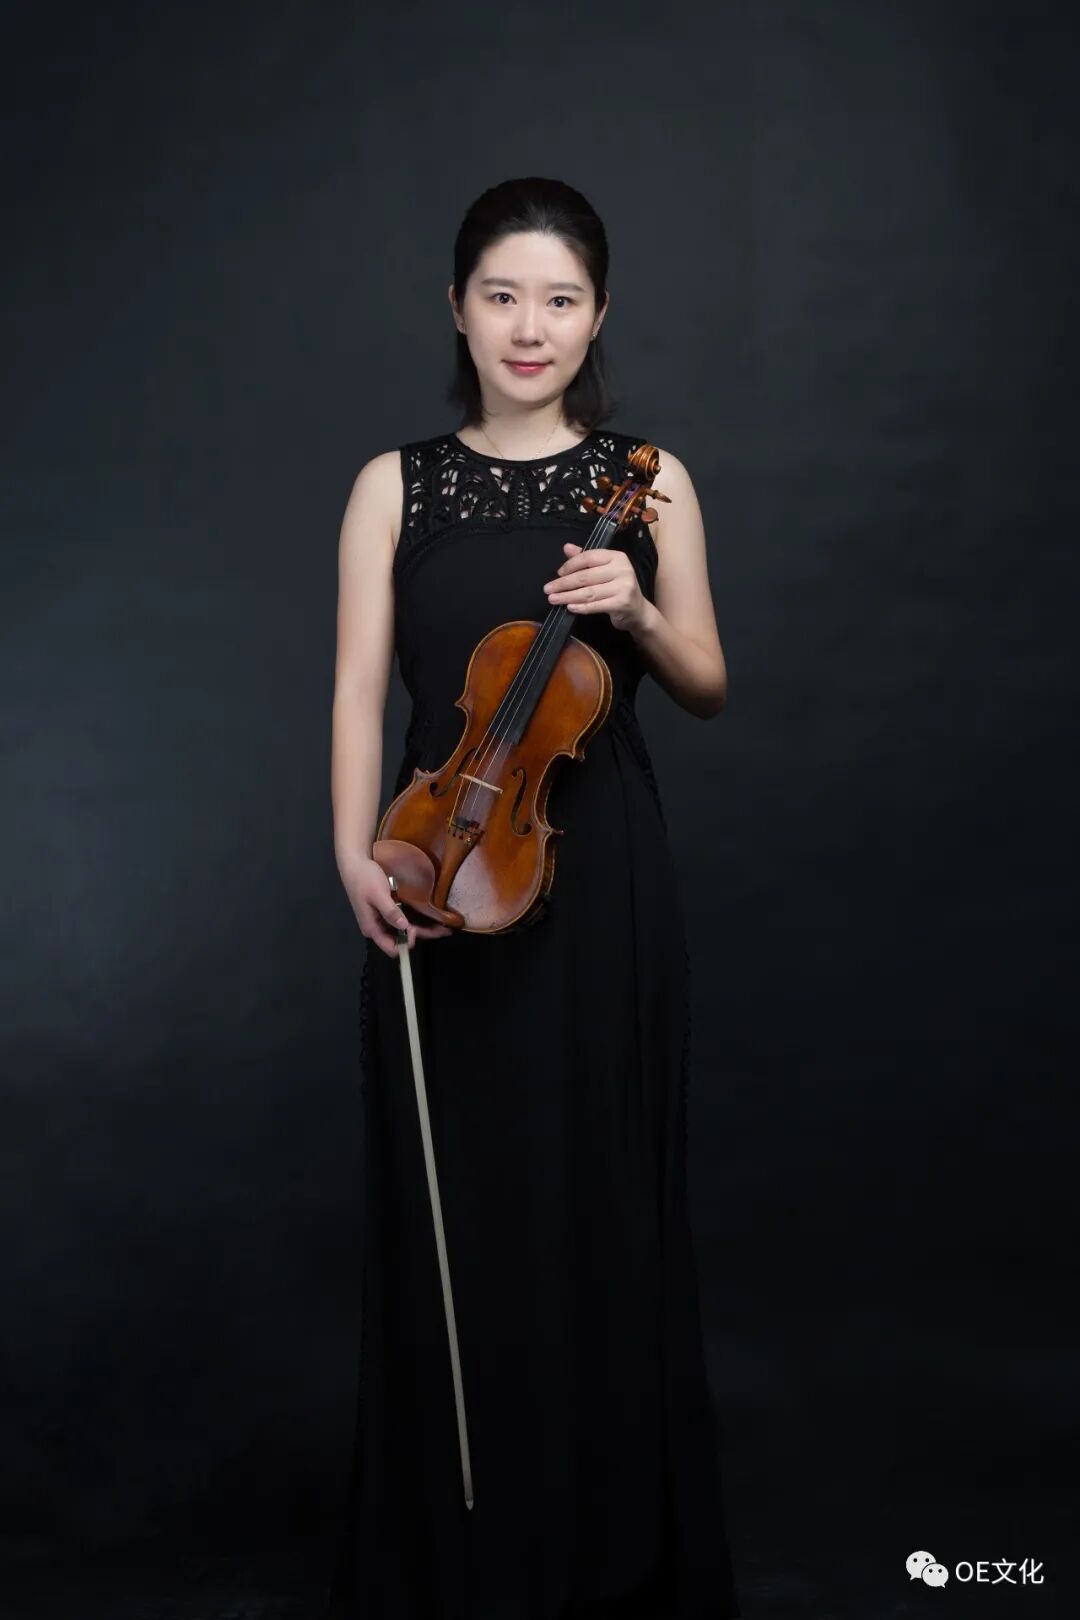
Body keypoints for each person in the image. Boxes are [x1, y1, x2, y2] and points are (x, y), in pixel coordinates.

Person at [326, 175, 740, 1620]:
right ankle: (460, 1552)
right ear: (457, 308)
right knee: (465, 1215)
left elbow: (707, 683)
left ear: (598, 315)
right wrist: (354, 854)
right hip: (442, 871)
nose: (529, 325)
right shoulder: (396, 484)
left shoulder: (651, 479)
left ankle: (608, 1554)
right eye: (501, 295)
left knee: (602, 1205)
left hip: (606, 883)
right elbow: (358, 689)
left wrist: (635, 609)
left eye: (560, 299)